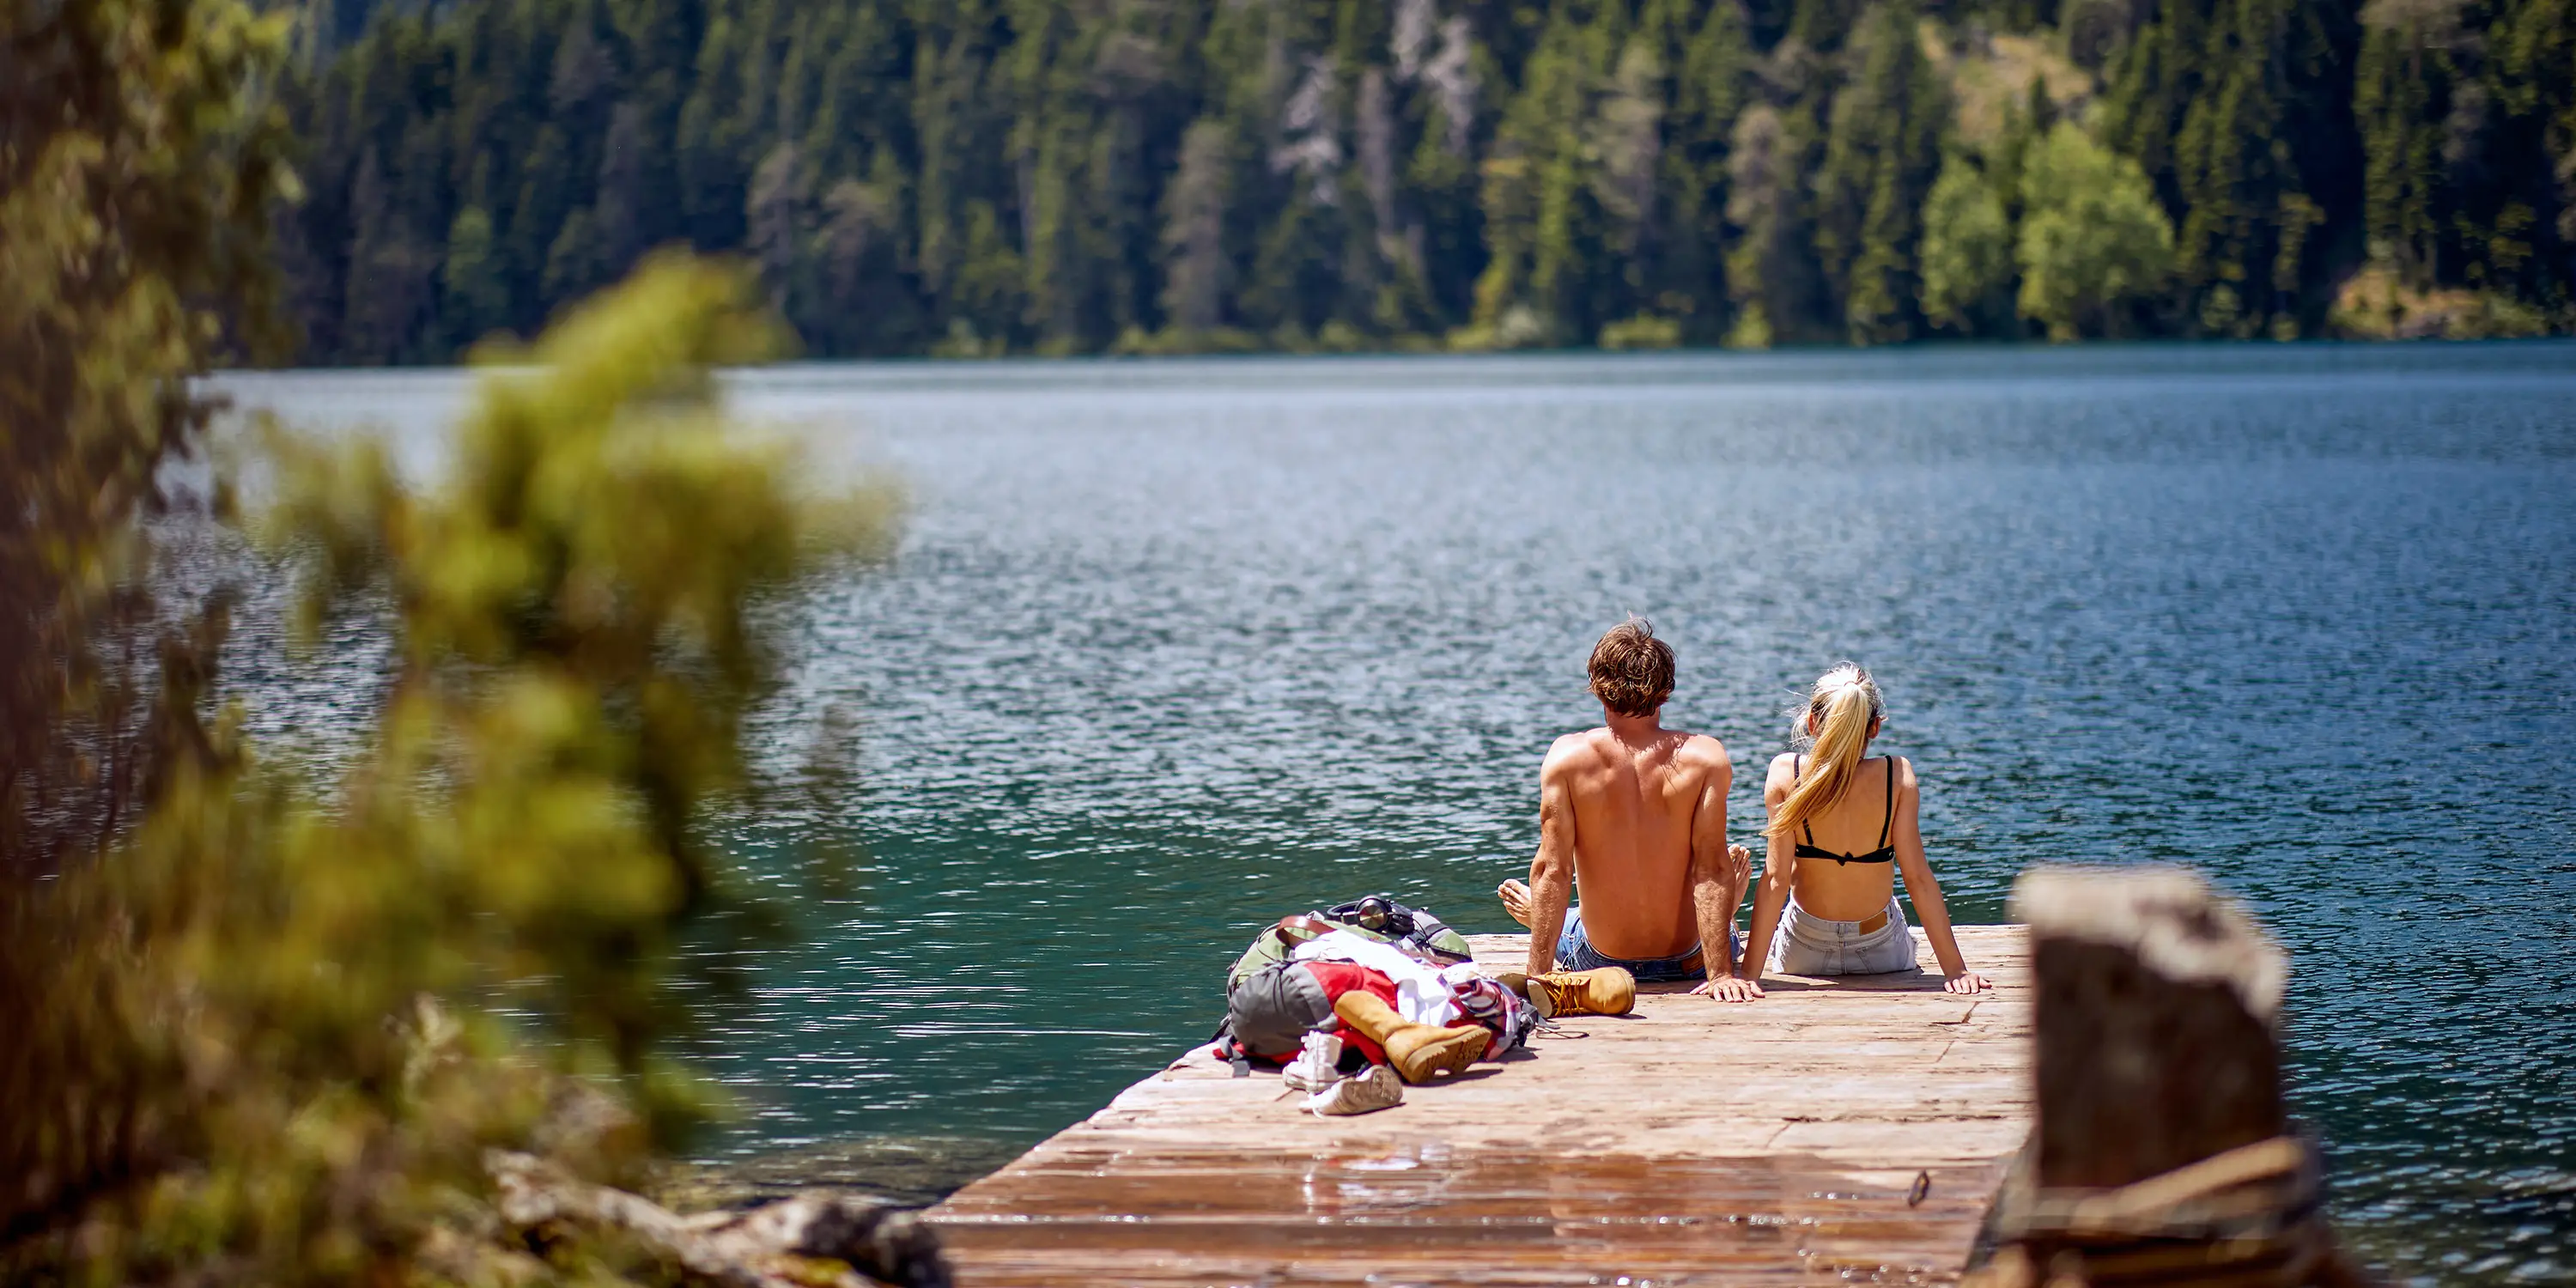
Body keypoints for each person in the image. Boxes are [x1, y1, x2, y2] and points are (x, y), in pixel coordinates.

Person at [1495, 618, 1750, 990]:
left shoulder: (1567, 759)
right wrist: (1722, 976)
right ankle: (1726, 920)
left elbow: (1554, 868)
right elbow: (1711, 868)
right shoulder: (1706, 758)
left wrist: (1538, 978)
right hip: (1690, 961)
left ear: (1598, 688)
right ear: (1666, 690)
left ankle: (1546, 917)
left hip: (1599, 959)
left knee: (1566, 918)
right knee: (1722, 893)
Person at [1710, 664, 1990, 1001]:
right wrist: (1956, 972)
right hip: (1880, 950)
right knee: (1893, 906)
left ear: (1812, 723)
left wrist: (1749, 975)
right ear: (1874, 727)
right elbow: (1917, 878)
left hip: (1804, 950)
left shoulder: (1786, 772)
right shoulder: (1896, 775)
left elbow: (1775, 880)